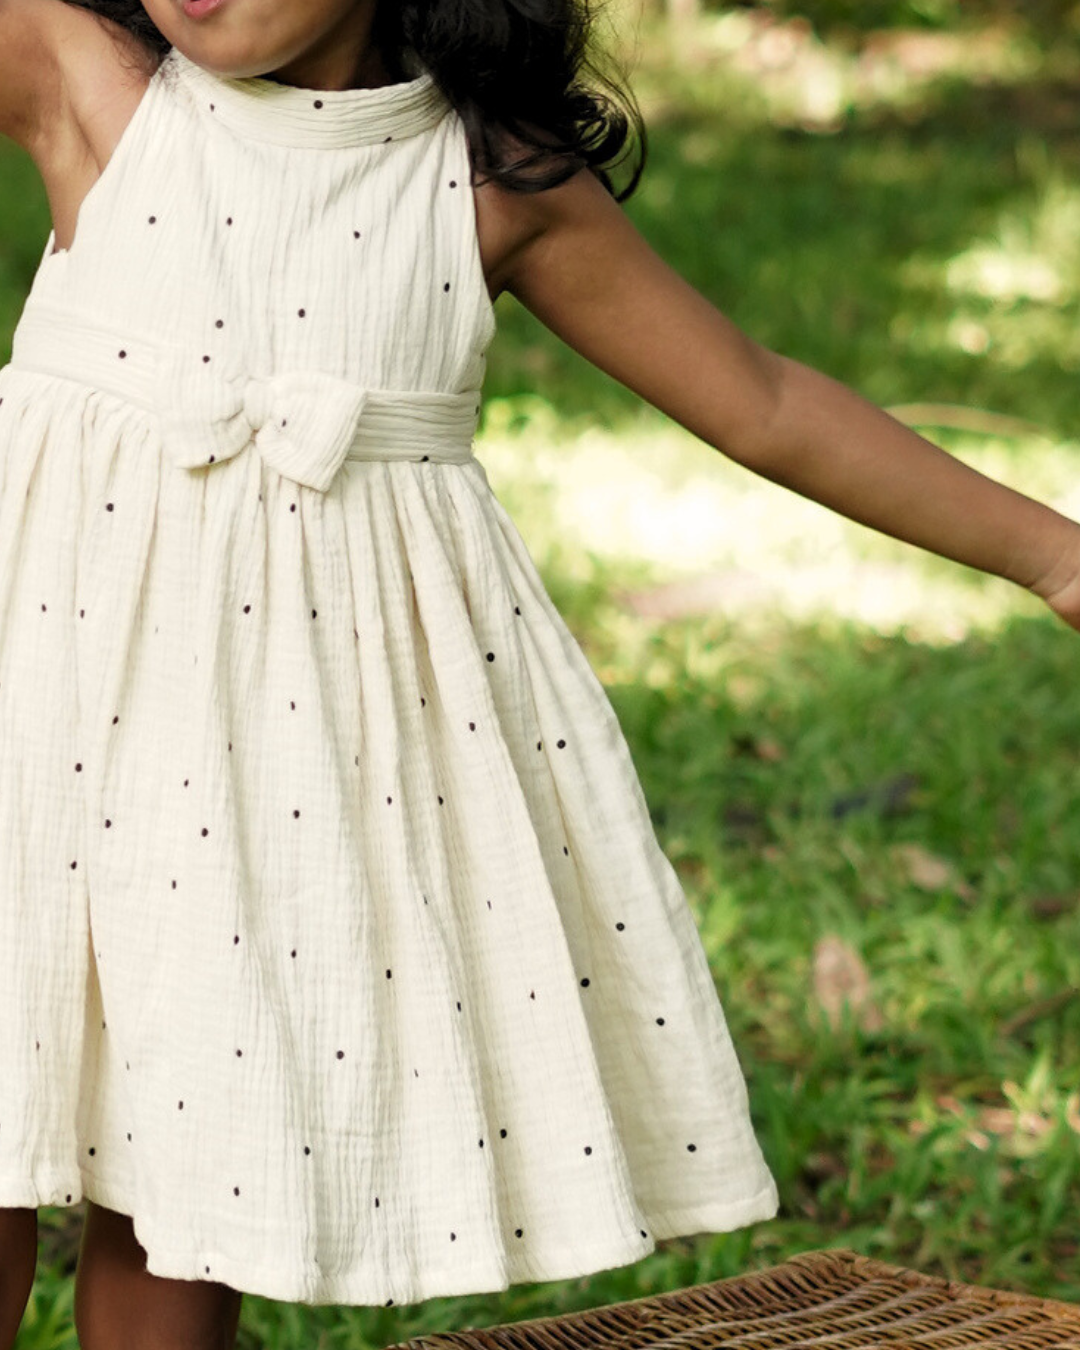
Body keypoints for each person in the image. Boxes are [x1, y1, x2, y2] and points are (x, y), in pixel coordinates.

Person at [0, 0, 1077, 1346]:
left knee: (177, 1154)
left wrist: (1055, 556)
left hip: (258, 758)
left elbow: (767, 403)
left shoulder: (487, 184)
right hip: (38, 697)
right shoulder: (88, 80)